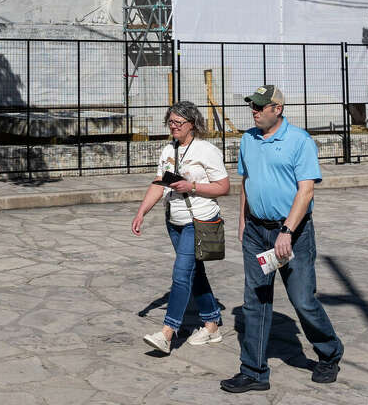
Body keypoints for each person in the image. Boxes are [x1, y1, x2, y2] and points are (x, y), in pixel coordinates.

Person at [220, 84, 344, 394]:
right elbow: (247, 182)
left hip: (293, 233)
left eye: (261, 106)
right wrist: (242, 221)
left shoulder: (298, 141)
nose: (255, 111)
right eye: (253, 105)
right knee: (255, 301)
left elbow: (306, 190)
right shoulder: (248, 140)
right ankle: (254, 372)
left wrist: (287, 231)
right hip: (256, 232)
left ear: (278, 109)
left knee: (302, 300)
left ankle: (329, 354)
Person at [132, 100, 229, 356]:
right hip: (174, 221)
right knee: (194, 272)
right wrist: (142, 211)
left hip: (198, 221)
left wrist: (192, 187)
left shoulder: (206, 151)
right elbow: (159, 182)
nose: (173, 127)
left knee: (181, 274)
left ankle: (167, 333)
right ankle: (211, 324)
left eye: (178, 123)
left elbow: (223, 187)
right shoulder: (167, 151)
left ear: (192, 124)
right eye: (170, 122)